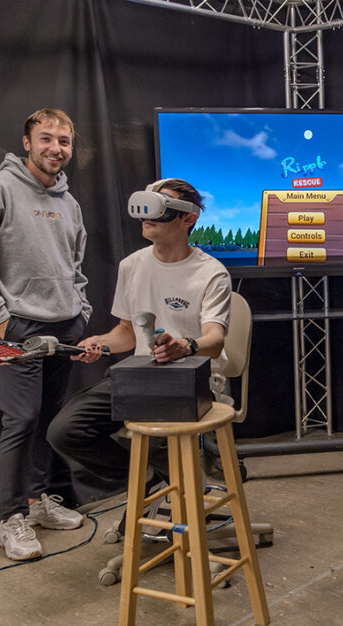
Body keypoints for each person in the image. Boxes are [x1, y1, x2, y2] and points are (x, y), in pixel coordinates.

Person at [0, 108, 91, 561]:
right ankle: (10, 520)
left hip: (65, 325)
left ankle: (38, 504)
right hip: (19, 328)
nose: (57, 148)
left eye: (65, 141)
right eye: (47, 138)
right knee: (20, 421)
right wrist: (1, 322)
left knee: (48, 420)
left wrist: (82, 311)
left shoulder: (69, 203)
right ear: (27, 142)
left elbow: (75, 266)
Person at [46, 178, 231, 492]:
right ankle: (148, 483)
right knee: (65, 431)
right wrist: (100, 342)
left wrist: (185, 346)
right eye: (145, 207)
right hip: (141, 375)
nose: (147, 217)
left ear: (188, 218)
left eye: (160, 209)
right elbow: (127, 333)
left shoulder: (211, 272)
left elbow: (214, 341)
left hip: (193, 378)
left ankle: (183, 501)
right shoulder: (131, 266)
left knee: (162, 439)